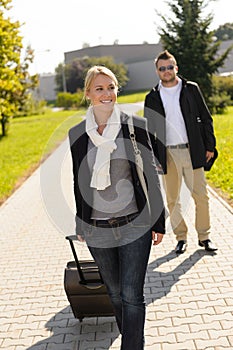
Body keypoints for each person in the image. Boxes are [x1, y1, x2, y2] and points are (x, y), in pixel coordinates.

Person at [68, 65, 165, 349]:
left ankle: (131, 346)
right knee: (115, 292)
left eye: (111, 87)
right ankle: (130, 337)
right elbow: (78, 182)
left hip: (134, 223)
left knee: (132, 295)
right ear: (88, 94)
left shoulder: (134, 126)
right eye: (99, 88)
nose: (107, 93)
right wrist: (80, 222)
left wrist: (158, 222)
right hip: (97, 229)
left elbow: (149, 176)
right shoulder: (78, 134)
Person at [144, 50, 218, 255]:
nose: (166, 71)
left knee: (201, 197)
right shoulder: (152, 97)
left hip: (191, 150)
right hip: (167, 154)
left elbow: (206, 117)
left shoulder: (191, 89)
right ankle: (181, 237)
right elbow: (148, 130)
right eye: (162, 68)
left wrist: (209, 146)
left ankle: (204, 237)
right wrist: (152, 158)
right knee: (172, 199)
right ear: (157, 71)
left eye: (170, 67)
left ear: (176, 68)